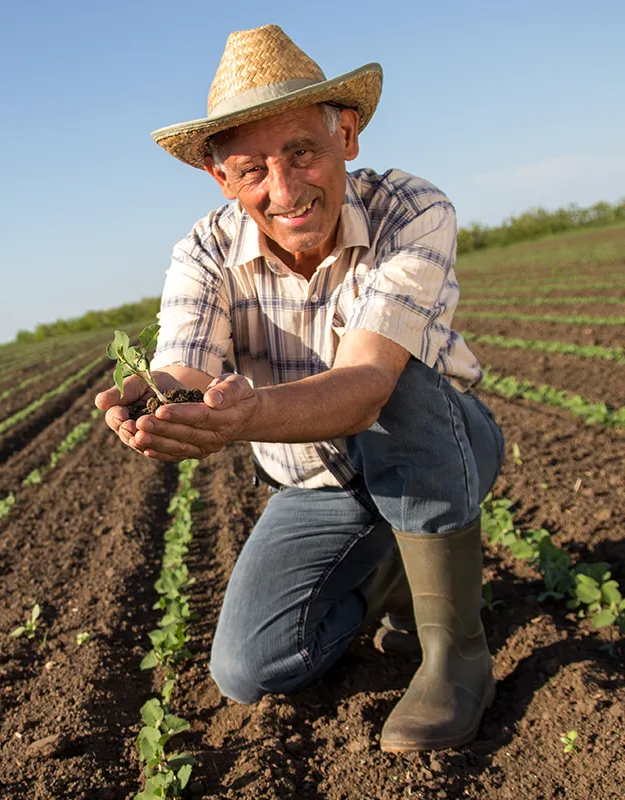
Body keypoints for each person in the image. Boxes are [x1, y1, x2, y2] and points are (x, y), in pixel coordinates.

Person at [95, 24, 505, 753]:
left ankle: (457, 655)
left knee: (401, 384)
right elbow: (187, 365)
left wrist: (245, 415)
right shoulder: (204, 251)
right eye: (251, 170)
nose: (284, 191)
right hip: (318, 484)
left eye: (302, 153)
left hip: (438, 447)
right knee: (249, 667)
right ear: (221, 180)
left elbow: (369, 385)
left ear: (346, 136)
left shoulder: (410, 210)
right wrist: (161, 399)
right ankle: (388, 575)